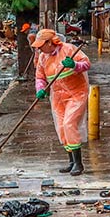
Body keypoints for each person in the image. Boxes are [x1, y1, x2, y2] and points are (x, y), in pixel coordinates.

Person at [33, 28, 91, 176]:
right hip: (58, 96)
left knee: (69, 123)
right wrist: (41, 88)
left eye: (41, 45)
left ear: (50, 42)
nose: (39, 49)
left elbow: (86, 64)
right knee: (61, 127)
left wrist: (74, 65)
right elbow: (40, 77)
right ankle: (71, 161)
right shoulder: (42, 57)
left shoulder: (69, 49)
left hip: (76, 93)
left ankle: (79, 163)